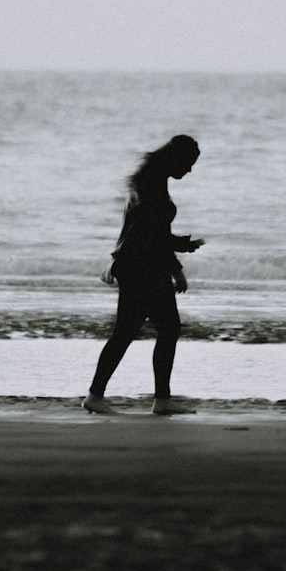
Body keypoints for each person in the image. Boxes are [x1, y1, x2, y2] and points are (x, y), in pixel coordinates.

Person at [83, 135, 205, 415]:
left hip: (141, 264)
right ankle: (146, 399)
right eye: (188, 163)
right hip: (142, 267)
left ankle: (105, 395)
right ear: (176, 158)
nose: (189, 170)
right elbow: (150, 235)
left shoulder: (150, 179)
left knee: (134, 332)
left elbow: (150, 232)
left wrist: (180, 248)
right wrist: (178, 265)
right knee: (159, 329)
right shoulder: (150, 185)